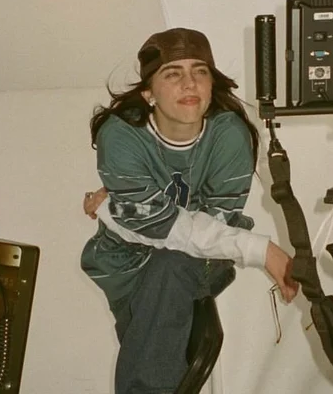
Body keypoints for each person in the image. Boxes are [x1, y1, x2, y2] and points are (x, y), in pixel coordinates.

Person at [81, 27, 298, 394]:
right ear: (148, 93)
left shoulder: (229, 135)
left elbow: (212, 226)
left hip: (192, 261)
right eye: (172, 73)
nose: (190, 83)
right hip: (125, 265)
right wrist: (262, 250)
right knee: (151, 353)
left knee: (171, 266)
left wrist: (115, 210)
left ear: (212, 85)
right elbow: (156, 226)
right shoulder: (120, 136)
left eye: (200, 71)